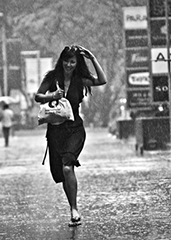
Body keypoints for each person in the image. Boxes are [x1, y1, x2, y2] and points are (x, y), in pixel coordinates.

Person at [35, 45, 107, 226]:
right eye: (66, 61)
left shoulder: (80, 79)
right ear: (62, 61)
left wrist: (92, 58)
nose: (69, 64)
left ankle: (74, 209)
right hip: (55, 131)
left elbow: (101, 80)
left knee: (68, 167)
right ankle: (72, 207)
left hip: (75, 129)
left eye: (72, 61)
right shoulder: (52, 77)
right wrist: (52, 95)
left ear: (77, 63)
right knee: (62, 172)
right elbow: (38, 96)